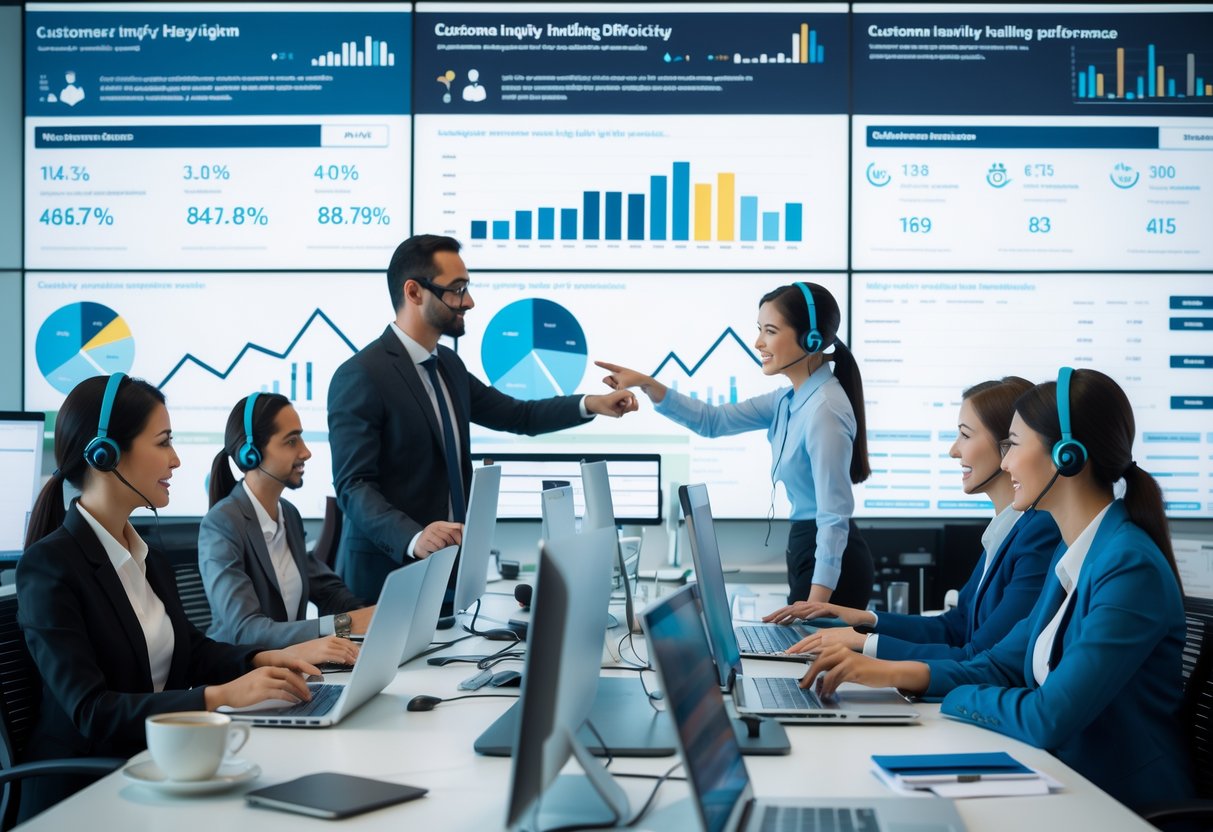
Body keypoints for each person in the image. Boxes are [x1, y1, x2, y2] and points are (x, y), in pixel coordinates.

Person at [802, 368, 1193, 810]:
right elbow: (998, 665)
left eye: (1014, 445)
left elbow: (1047, 715)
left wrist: (953, 694)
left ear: (1066, 456)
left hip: (1118, 804)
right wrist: (886, 672)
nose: (1005, 464)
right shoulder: (1077, 555)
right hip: (1065, 779)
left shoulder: (1128, 567)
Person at [17, 374, 321, 821]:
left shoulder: (149, 558)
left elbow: (190, 652)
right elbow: (92, 711)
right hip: (86, 796)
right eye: (163, 443)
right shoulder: (50, 568)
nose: (176, 460)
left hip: (156, 770)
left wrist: (262, 660)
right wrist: (219, 697)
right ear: (105, 454)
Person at [327, 234, 637, 602]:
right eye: (457, 289)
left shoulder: (448, 366)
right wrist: (413, 537)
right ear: (414, 292)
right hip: (386, 580)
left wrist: (591, 403)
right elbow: (354, 486)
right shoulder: (362, 375)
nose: (469, 301)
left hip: (449, 574)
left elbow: (519, 415)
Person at [598, 282, 874, 609]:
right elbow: (713, 421)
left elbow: (833, 515)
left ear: (810, 339)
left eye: (770, 331)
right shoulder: (788, 399)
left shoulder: (824, 410)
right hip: (805, 546)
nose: (759, 343)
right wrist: (647, 383)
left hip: (830, 563)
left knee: (801, 656)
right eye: (759, 330)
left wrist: (816, 602)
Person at [773, 377, 1060, 661]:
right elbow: (954, 626)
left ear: (1007, 444)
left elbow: (979, 654)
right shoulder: (1006, 530)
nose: (953, 450)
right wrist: (862, 618)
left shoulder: (1037, 533)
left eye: (966, 435)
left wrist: (864, 644)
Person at [199, 393, 372, 660]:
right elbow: (246, 631)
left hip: (289, 673)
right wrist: (342, 626)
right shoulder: (221, 524)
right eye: (291, 441)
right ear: (251, 454)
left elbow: (328, 591)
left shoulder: (288, 514)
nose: (306, 451)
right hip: (238, 681)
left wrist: (375, 614)